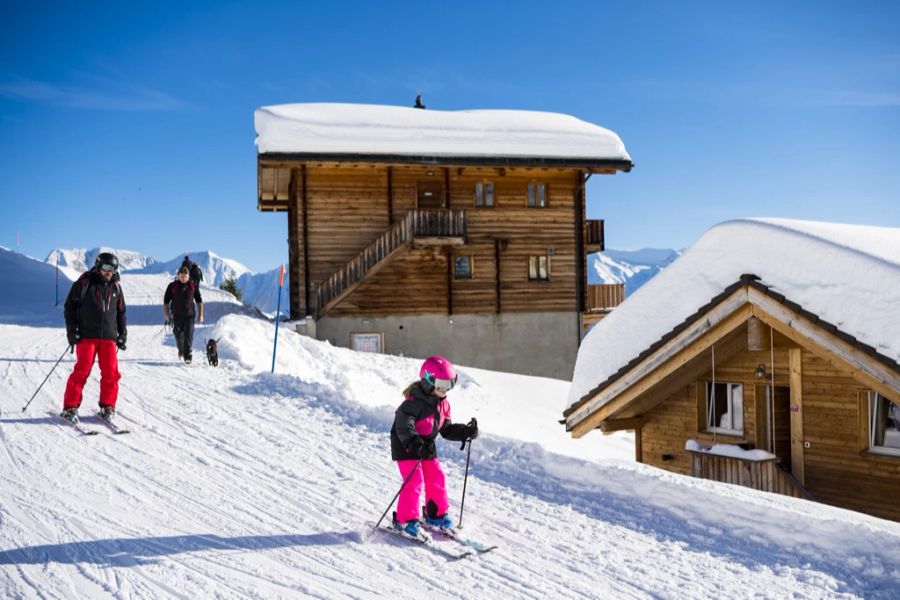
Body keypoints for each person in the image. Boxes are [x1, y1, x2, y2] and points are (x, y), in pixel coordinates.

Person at [390, 356, 478, 537]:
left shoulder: (443, 404)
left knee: (436, 476)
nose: (445, 390)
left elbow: (446, 429)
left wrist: (464, 432)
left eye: (449, 385)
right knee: (414, 480)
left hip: (426, 445)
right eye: (441, 385)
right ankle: (405, 520)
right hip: (406, 444)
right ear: (428, 381)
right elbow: (404, 426)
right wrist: (415, 444)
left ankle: (435, 515)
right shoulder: (412, 404)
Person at [61, 252, 127, 423]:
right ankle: (70, 407)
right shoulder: (85, 282)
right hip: (87, 336)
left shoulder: (116, 287)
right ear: (98, 266)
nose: (109, 272)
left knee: (111, 374)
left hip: (108, 338)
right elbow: (70, 307)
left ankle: (107, 406)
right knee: (81, 371)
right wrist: (71, 331)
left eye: (112, 268)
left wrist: (122, 334)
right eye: (106, 267)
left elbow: (121, 313)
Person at [164, 266, 204, 364]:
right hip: (177, 316)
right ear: (178, 276)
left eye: (185, 277)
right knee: (178, 335)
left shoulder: (192, 286)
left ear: (188, 276)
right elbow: (166, 302)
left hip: (190, 316)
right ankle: (181, 348)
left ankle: (187, 356)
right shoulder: (172, 286)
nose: (183, 279)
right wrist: (167, 314)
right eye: (181, 277)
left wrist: (201, 315)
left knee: (188, 335)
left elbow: (199, 301)